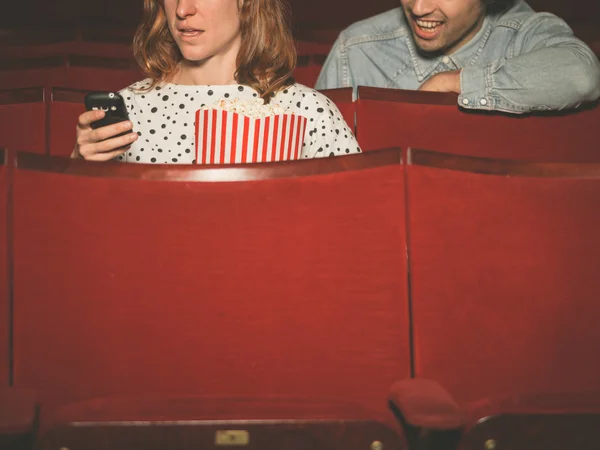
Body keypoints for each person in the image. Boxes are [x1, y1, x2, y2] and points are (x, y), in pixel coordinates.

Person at [72, 0, 360, 163]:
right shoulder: (128, 109)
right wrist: (78, 167)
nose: (183, 10)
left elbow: (356, 222)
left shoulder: (307, 110)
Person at [315, 0, 600, 114]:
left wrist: (456, 83)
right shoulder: (356, 47)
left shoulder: (521, 33)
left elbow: (582, 74)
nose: (419, 7)